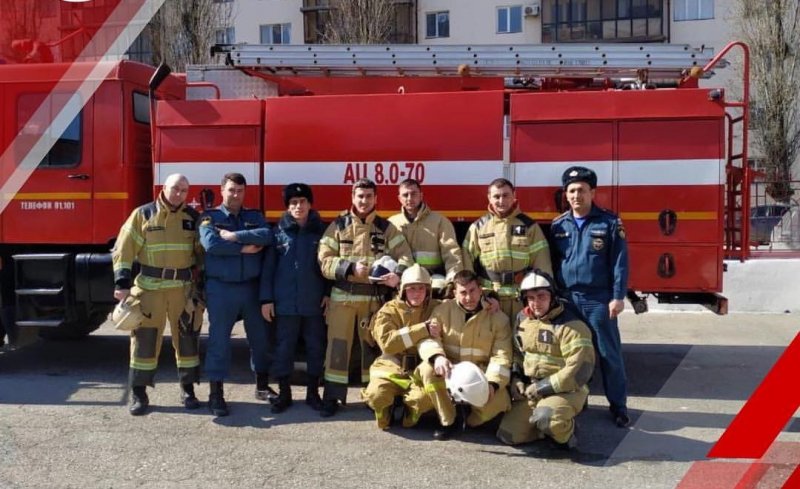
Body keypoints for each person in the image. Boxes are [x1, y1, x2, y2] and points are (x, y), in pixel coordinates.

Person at [317, 178, 414, 417]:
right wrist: (349, 268)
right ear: (352, 197)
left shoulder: (386, 228)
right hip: (343, 299)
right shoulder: (338, 226)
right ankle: (332, 397)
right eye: (360, 196)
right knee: (337, 350)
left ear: (375, 198)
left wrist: (396, 276)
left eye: (369, 196)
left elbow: (406, 258)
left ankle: (373, 396)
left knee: (371, 350)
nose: (364, 201)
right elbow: (323, 259)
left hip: (373, 302)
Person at [112, 173, 203, 416]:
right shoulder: (143, 214)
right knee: (144, 341)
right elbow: (124, 248)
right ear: (164, 188)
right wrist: (121, 282)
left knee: (187, 340)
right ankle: (139, 394)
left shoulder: (192, 219)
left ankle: (188, 390)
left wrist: (202, 287)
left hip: (181, 291)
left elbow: (202, 254)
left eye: (184, 190)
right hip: (149, 290)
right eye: (175, 188)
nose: (179, 194)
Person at [550, 166, 630, 427]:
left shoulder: (609, 223)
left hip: (598, 299)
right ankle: (577, 400)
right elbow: (552, 262)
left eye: (581, 190)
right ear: (566, 194)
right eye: (571, 191)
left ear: (592, 192)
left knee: (609, 354)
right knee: (573, 355)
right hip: (568, 299)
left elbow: (620, 263)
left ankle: (618, 406)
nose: (576, 195)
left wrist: (618, 297)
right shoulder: (558, 225)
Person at [200, 172, 275, 417]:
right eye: (231, 190)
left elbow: (266, 236)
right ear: (222, 190)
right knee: (219, 341)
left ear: (245, 192)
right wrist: (244, 247)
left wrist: (235, 237)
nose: (235, 195)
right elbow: (211, 245)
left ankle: (262, 386)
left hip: (251, 288)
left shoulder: (254, 216)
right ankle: (216, 394)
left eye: (240, 191)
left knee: (260, 340)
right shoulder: (209, 217)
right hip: (221, 288)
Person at [405, 269, 512, 440]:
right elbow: (428, 340)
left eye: (472, 291)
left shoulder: (498, 318)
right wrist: (437, 357)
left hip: (481, 377)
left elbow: (502, 356)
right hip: (449, 373)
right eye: (463, 293)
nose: (468, 298)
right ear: (454, 293)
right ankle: (449, 421)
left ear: (480, 289)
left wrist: (492, 384)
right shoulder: (442, 311)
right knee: (427, 370)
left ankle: (470, 419)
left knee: (498, 404)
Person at [496, 270, 595, 448]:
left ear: (553, 296)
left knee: (548, 419)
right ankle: (546, 426)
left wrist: (542, 387)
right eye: (531, 298)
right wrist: (517, 378)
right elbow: (519, 354)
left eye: (542, 296)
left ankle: (567, 432)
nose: (536, 303)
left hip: (567, 390)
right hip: (534, 390)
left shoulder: (572, 325)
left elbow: (579, 371)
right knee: (508, 435)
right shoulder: (523, 320)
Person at [262, 183, 328, 414]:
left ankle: (313, 393)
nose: (298, 206)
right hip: (285, 303)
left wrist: (329, 294)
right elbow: (268, 269)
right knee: (283, 349)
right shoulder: (278, 233)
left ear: (310, 204)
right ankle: (284, 394)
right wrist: (266, 299)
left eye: (302, 202)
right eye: (293, 203)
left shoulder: (321, 232)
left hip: (314, 302)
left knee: (315, 348)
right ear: (288, 207)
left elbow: (327, 267)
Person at [361, 264, 441, 429]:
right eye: (412, 289)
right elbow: (388, 344)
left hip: (419, 369)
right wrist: (422, 329)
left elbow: (463, 300)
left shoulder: (437, 307)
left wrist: (489, 298)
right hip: (392, 365)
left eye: (421, 288)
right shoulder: (388, 311)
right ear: (403, 290)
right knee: (376, 396)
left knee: (424, 400)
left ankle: (410, 412)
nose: (417, 293)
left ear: (428, 290)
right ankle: (384, 411)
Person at [462, 178, 552, 322]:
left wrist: (540, 297)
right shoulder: (478, 227)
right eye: (496, 196)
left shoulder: (529, 226)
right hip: (490, 300)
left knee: (523, 340)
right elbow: (466, 267)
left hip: (521, 300)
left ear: (514, 196)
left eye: (505, 195)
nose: (501, 200)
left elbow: (543, 265)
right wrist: (480, 296)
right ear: (489, 198)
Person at [388, 179, 463, 292]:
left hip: (432, 283)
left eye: (414, 194)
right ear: (399, 198)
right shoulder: (392, 224)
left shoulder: (440, 222)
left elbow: (452, 254)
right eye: (405, 195)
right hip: (402, 284)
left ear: (421, 196)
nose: (409, 198)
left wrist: (453, 281)